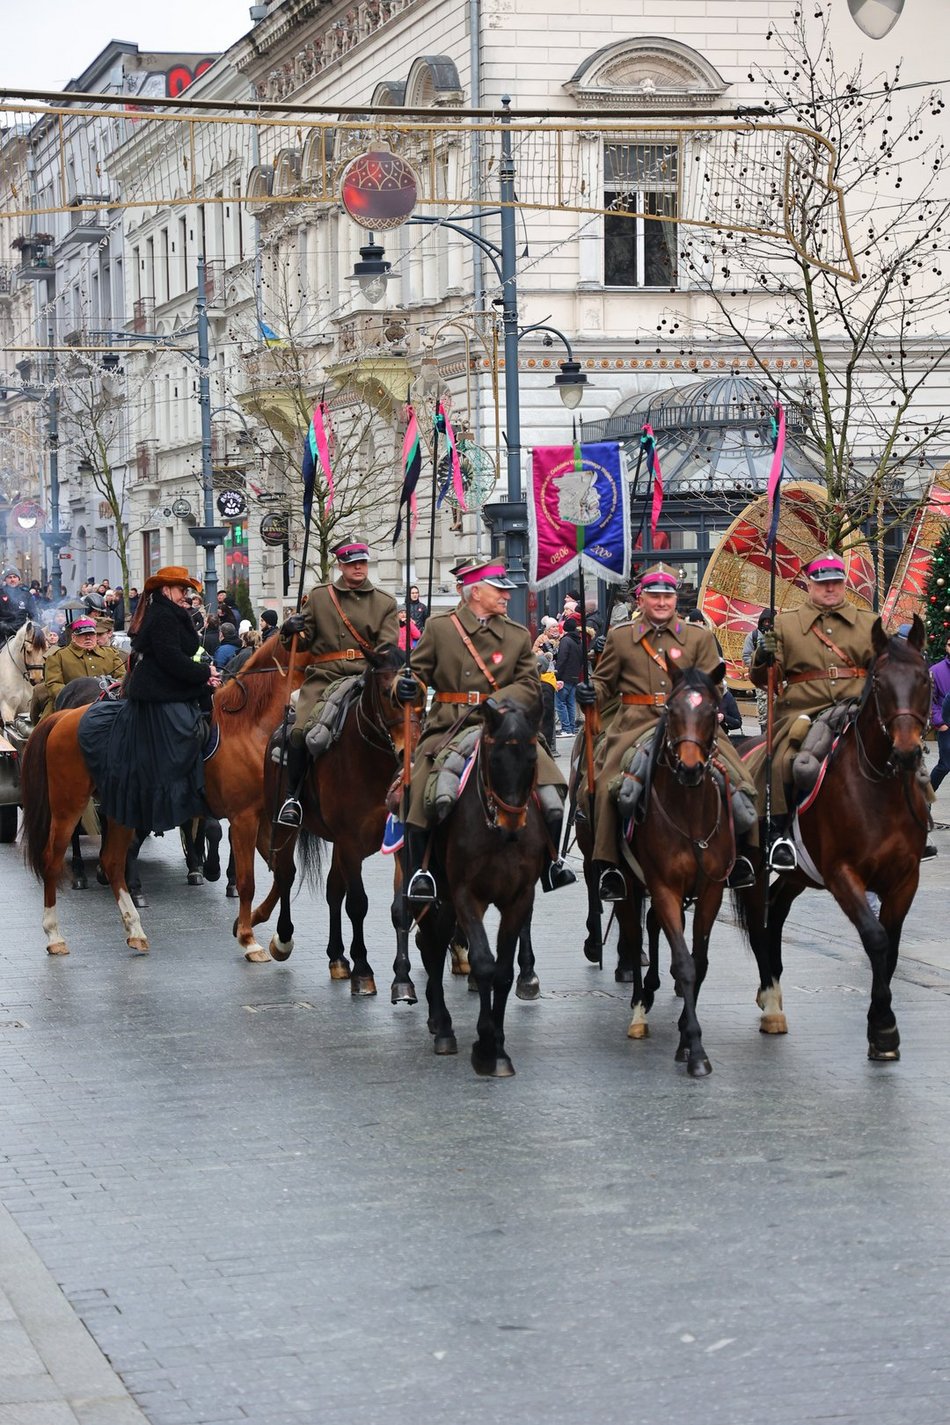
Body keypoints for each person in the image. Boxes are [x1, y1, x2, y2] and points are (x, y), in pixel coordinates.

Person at [576, 563, 758, 899]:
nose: (661, 602)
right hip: (635, 723)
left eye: (667, 596)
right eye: (654, 595)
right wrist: (590, 693)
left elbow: (715, 685)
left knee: (740, 779)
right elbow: (604, 684)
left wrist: (699, 701)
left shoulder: (699, 637)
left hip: (690, 723)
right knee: (603, 787)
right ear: (641, 599)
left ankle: (744, 857)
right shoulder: (621, 637)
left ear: (676, 599)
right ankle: (609, 865)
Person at [397, 557, 575, 900]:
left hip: (506, 726)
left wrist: (494, 704)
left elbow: (529, 685)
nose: (507, 596)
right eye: (499, 590)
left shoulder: (516, 634)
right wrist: (405, 687)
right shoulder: (440, 628)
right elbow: (416, 675)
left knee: (553, 792)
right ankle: (421, 872)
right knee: (419, 790)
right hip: (450, 725)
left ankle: (553, 862)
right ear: (475, 592)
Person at [748, 552, 879, 870]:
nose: (830, 588)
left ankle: (917, 820)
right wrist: (763, 657)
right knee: (782, 760)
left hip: (857, 707)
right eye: (822, 583)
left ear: (844, 583)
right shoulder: (785, 624)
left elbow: (884, 667)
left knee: (902, 751)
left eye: (835, 582)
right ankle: (779, 834)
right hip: (803, 711)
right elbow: (766, 679)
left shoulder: (869, 623)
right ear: (809, 585)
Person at [77, 566, 220, 834]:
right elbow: (170, 659)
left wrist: (205, 676)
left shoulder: (171, 613)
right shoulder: (163, 615)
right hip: (158, 692)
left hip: (171, 685)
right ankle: (178, 793)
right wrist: (203, 674)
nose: (185, 595)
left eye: (187, 590)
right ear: (166, 590)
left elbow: (182, 656)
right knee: (185, 730)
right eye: (181, 589)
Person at [275, 538, 399, 826]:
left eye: (362, 562)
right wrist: (290, 630)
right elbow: (301, 643)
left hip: (365, 677)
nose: (358, 567)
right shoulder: (320, 597)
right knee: (299, 731)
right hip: (324, 676)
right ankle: (293, 798)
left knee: (398, 729)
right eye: (352, 563)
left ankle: (400, 795)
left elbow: (387, 649)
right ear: (340, 565)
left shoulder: (384, 602)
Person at [32, 615, 127, 721]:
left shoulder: (110, 654)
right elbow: (54, 684)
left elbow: (122, 679)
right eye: (82, 634)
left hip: (107, 705)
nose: (88, 638)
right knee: (47, 728)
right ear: (73, 637)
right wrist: (74, 700)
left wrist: (112, 695)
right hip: (67, 708)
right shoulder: (58, 656)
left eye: (91, 634)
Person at [742, 608, 775, 733]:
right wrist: (757, 665)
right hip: (762, 680)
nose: (767, 624)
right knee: (764, 712)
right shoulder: (753, 637)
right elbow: (746, 656)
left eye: (770, 621)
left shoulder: (781, 636)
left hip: (778, 679)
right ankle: (764, 736)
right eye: (765, 621)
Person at [928, 634, 950, 793]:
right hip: (947, 724)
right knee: (945, 765)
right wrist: (940, 721)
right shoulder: (935, 671)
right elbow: (929, 699)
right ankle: (925, 796)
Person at [555, 615, 583, 736]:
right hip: (574, 676)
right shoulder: (579, 641)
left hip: (564, 676)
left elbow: (562, 659)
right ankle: (571, 728)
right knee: (571, 703)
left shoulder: (565, 641)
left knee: (560, 703)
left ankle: (566, 728)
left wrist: (557, 675)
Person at [0, 566, 38, 638]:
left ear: (19, 579)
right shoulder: (1, 594)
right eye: (9, 577)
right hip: (3, 633)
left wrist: (34, 627)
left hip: (22, 632)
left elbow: (34, 615)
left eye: (14, 577)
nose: (12, 579)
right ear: (5, 579)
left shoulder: (26, 595)